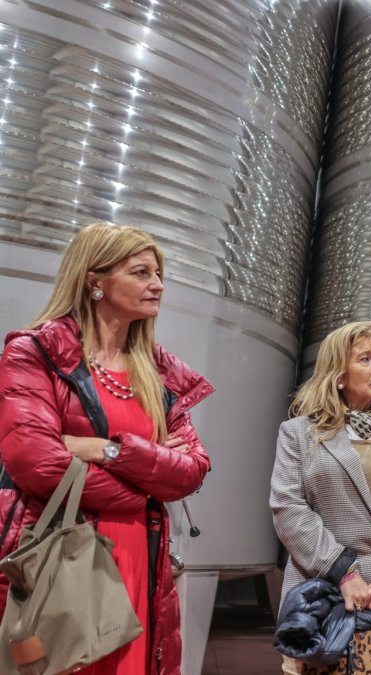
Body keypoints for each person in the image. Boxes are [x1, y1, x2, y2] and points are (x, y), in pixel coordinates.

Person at [0, 222, 213, 674]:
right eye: (140, 272)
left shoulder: (160, 373)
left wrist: (109, 451)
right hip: (64, 553)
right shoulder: (35, 352)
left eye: (158, 274)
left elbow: (192, 469)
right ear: (95, 281)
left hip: (141, 555)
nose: (157, 285)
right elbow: (35, 461)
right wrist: (145, 489)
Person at [271, 320, 371, 674]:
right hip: (323, 595)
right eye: (365, 359)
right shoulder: (298, 433)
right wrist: (345, 573)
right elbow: (288, 507)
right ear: (338, 374)